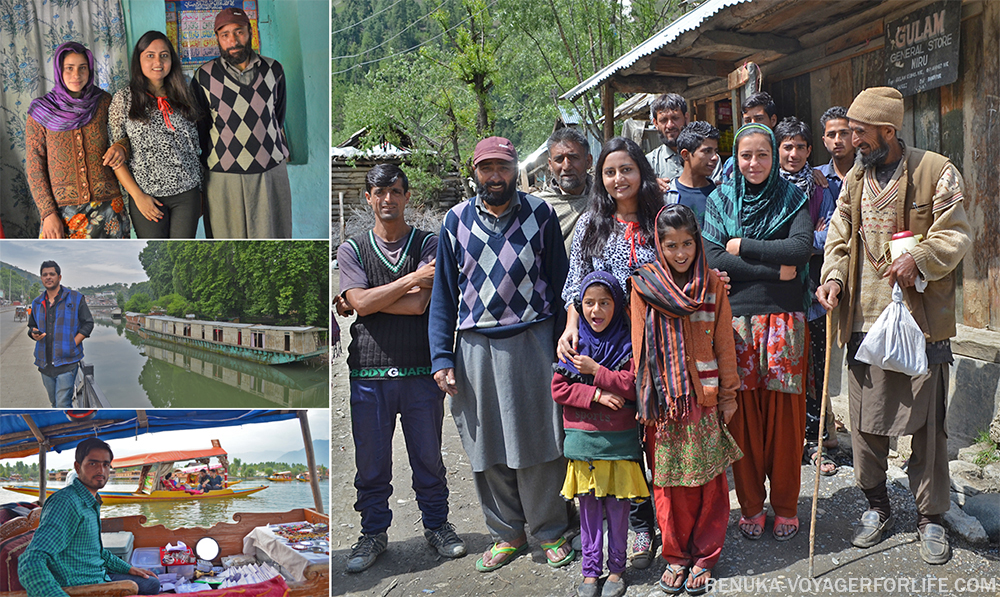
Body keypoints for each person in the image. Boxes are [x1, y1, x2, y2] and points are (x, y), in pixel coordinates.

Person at [816, 87, 971, 565]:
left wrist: (921, 257)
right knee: (866, 425)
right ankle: (877, 506)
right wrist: (834, 279)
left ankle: (930, 518)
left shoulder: (936, 171)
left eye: (860, 133)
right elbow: (840, 235)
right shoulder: (855, 179)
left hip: (921, 324)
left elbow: (957, 233)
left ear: (888, 130)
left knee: (929, 427)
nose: (853, 141)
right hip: (864, 321)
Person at [429, 136, 573, 572]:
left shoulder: (540, 214)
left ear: (515, 170)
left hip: (532, 341)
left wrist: (565, 341)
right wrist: (441, 358)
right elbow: (443, 297)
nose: (495, 176)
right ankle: (506, 533)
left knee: (541, 441)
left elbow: (561, 283)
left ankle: (549, 531)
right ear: (475, 171)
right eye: (487, 168)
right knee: (485, 444)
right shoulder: (454, 222)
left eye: (503, 167)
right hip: (474, 346)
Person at [338, 164, 466, 573]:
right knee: (371, 464)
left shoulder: (430, 242)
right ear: (368, 198)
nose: (388, 198)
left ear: (407, 196)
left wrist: (365, 301)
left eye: (395, 191)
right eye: (380, 192)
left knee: (428, 458)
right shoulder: (352, 249)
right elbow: (359, 303)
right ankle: (373, 533)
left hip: (418, 371)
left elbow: (419, 305)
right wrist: (407, 280)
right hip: (368, 375)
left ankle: (437, 525)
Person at [703, 123, 813, 542]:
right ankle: (750, 505)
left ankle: (785, 506)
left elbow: (800, 250)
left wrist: (742, 246)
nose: (754, 163)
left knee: (784, 418)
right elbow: (712, 255)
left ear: (773, 156)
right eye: (746, 155)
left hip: (786, 320)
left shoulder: (792, 198)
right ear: (736, 158)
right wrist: (776, 271)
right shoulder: (719, 200)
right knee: (742, 416)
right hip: (736, 322)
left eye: (762, 155)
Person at [558, 136, 662, 569]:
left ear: (641, 171)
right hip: (606, 343)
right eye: (610, 172)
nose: (619, 179)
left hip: (656, 339)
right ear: (600, 178)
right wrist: (571, 326)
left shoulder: (660, 218)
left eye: (627, 169)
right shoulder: (591, 224)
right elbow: (574, 281)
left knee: (653, 431)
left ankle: (658, 523)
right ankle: (632, 528)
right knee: (618, 435)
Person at [632, 204, 742, 595]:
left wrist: (728, 396)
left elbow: (724, 343)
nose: (680, 254)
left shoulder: (712, 284)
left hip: (704, 397)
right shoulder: (644, 285)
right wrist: (645, 400)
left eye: (687, 245)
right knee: (667, 484)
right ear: (659, 247)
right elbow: (638, 346)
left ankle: (706, 555)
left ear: (698, 243)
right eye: (671, 245)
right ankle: (676, 555)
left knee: (709, 482)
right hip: (663, 404)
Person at [552, 272, 648, 597]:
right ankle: (590, 572)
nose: (596, 310)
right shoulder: (573, 344)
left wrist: (596, 372)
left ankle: (617, 570)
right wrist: (597, 395)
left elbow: (633, 385)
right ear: (580, 305)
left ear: (617, 304)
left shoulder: (627, 343)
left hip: (618, 446)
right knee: (590, 512)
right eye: (589, 303)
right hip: (583, 446)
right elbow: (559, 387)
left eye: (605, 302)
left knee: (619, 512)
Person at [774, 116, 839, 476]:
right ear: (777, 149)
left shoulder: (820, 189)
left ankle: (814, 442)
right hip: (777, 294)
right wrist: (799, 243)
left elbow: (829, 237)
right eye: (787, 146)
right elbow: (766, 241)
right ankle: (785, 441)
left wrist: (796, 245)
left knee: (815, 371)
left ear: (810, 151)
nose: (794, 153)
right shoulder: (766, 188)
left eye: (801, 147)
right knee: (782, 369)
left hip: (813, 294)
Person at [191, 7, 291, 239]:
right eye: (225, 35)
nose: (233, 41)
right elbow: (202, 128)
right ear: (217, 39)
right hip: (223, 177)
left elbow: (277, 116)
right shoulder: (203, 76)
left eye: (239, 32)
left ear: (251, 33)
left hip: (269, 172)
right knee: (227, 244)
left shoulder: (273, 70)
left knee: (273, 239)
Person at [18, 438, 160, 596]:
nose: (101, 470)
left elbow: (98, 553)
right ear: (77, 467)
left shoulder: (90, 502)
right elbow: (31, 560)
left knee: (152, 583)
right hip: (83, 586)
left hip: (99, 575)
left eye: (106, 464)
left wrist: (129, 569)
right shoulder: (66, 503)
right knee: (152, 585)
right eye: (93, 463)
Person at [26, 42, 130, 239]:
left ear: (90, 70)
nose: (77, 75)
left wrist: (121, 147)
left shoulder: (104, 101)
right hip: (62, 215)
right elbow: (34, 166)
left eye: (83, 68)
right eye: (69, 68)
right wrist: (48, 213)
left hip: (109, 209)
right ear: (59, 70)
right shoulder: (41, 111)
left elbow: (126, 138)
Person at [109, 31, 202, 239]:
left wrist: (201, 191)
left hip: (187, 194)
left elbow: (195, 148)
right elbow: (116, 158)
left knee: (183, 257)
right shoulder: (124, 99)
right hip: (147, 196)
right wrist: (138, 196)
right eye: (150, 55)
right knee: (159, 256)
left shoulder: (185, 94)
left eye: (164, 55)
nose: (158, 61)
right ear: (139, 60)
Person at [27, 261, 93, 408]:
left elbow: (88, 323)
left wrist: (72, 343)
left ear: (59, 277)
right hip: (44, 363)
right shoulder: (37, 302)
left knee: (63, 403)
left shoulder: (75, 298)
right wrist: (33, 334)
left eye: (52, 274)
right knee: (54, 402)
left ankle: (69, 428)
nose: (48, 277)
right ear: (41, 278)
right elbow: (32, 326)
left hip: (67, 363)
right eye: (45, 275)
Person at [534, 127, 594, 255]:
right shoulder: (539, 207)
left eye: (573, 157)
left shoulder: (605, 198)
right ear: (550, 165)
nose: (566, 166)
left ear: (588, 161)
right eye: (559, 159)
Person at [664, 121, 721, 226]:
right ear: (686, 155)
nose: (715, 157)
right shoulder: (667, 196)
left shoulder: (720, 195)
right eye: (707, 151)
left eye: (715, 151)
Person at [714, 92, 777, 184]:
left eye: (759, 119)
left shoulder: (785, 158)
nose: (753, 124)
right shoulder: (732, 164)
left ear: (773, 120)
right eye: (748, 120)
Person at [645, 93, 688, 192]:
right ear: (655, 123)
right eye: (664, 120)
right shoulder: (649, 162)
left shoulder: (706, 157)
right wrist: (650, 188)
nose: (670, 125)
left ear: (686, 118)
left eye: (675, 118)